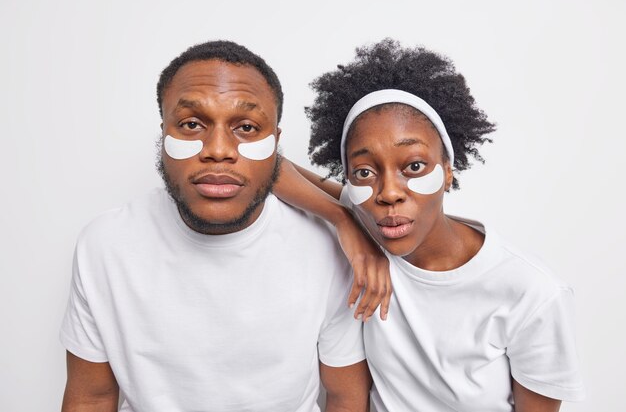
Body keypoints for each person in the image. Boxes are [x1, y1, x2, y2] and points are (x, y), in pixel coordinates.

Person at [59, 40, 382, 412]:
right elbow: (92, 397)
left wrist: (343, 220)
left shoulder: (328, 250)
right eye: (192, 124)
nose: (218, 149)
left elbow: (345, 397)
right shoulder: (105, 246)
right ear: (164, 133)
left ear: (275, 144)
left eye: (245, 127)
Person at [278, 39, 585, 411]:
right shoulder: (364, 215)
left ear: (447, 171)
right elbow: (265, 165)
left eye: (414, 166)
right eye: (364, 171)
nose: (389, 192)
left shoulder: (532, 293)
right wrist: (344, 222)